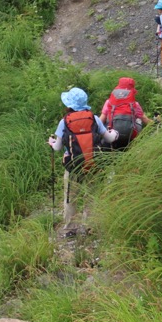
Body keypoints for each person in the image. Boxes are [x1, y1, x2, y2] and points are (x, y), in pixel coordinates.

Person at [47, 87, 116, 233]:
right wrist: (114, 134)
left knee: (71, 197)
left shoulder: (64, 122)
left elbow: (58, 147)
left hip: (73, 166)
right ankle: (89, 227)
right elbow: (109, 138)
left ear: (69, 105)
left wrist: (51, 142)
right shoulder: (94, 119)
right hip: (93, 164)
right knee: (91, 195)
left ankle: (71, 229)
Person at [99, 77, 152, 150]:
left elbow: (100, 121)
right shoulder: (135, 105)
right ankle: (135, 146)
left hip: (112, 135)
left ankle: (107, 146)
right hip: (129, 136)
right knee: (138, 121)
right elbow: (145, 120)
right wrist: (156, 123)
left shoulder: (109, 102)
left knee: (107, 123)